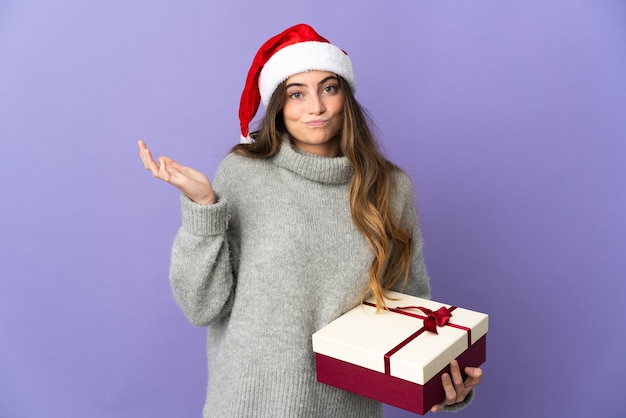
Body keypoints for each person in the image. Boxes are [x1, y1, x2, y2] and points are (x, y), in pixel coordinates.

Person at [138, 23, 482, 417]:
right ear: (278, 107)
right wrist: (203, 208)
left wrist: (445, 385)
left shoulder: (391, 188)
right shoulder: (243, 174)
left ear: (345, 97)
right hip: (245, 406)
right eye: (296, 94)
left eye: (328, 88)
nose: (315, 107)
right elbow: (202, 307)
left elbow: (410, 310)